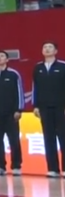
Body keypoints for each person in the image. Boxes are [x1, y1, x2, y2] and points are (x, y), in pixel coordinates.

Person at [32, 42, 65, 177]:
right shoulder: (38, 68)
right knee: (48, 138)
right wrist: (36, 106)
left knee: (63, 137)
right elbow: (35, 87)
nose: (47, 49)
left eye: (50, 47)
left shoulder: (62, 66)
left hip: (60, 107)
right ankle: (53, 169)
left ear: (56, 51)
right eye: (45, 47)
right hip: (44, 108)